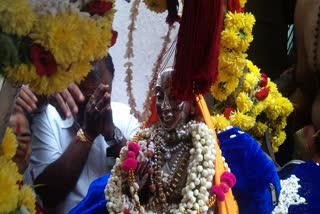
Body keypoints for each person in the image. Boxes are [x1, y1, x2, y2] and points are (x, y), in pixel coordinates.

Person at [71, 68, 280, 214]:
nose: (165, 106)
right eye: (160, 96)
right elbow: (129, 196)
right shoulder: (145, 141)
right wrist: (138, 189)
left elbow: (206, 202)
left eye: (175, 97)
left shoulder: (202, 147)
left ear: (192, 103)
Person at [29, 54, 140, 213]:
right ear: (70, 87)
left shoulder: (125, 116)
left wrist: (112, 135)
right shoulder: (48, 118)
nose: (94, 108)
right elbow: (48, 195)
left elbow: (142, 178)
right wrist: (87, 134)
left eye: (102, 97)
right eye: (87, 101)